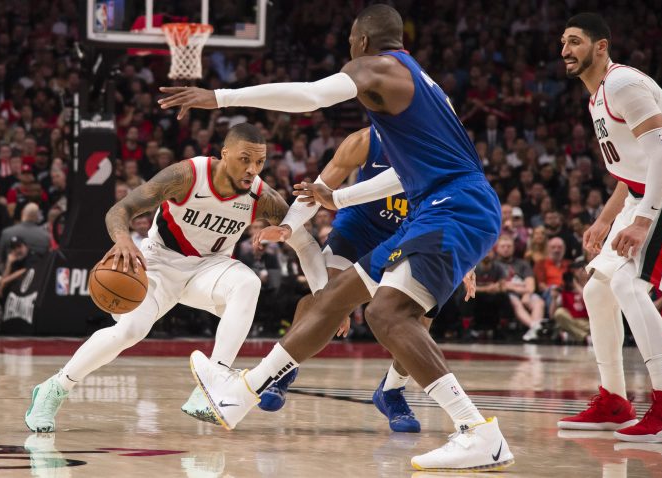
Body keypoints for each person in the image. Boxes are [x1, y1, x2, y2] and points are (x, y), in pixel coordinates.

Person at [158, 5, 513, 471]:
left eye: (350, 39)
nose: (348, 48)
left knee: (388, 313)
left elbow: (310, 96)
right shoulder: (416, 84)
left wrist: (220, 97)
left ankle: (477, 432)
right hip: (439, 203)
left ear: (363, 41)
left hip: (455, 205)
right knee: (334, 298)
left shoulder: (376, 67)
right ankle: (240, 395)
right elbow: (408, 175)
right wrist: (338, 199)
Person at [24, 123, 327, 433]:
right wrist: (124, 239)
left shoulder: (261, 197)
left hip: (209, 268)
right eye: (244, 159)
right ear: (224, 155)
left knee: (248, 282)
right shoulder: (187, 175)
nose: (252, 169)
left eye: (259, 162)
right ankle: (55, 388)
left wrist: (324, 294)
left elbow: (305, 243)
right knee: (130, 330)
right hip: (159, 263)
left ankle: (213, 382)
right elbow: (121, 209)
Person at [257, 126, 431, 434]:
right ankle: (285, 367)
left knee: (420, 316)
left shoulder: (436, 144)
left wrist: (464, 264)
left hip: (408, 234)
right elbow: (318, 190)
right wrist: (287, 227)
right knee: (325, 300)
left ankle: (391, 391)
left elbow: (452, 202)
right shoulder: (364, 141)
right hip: (358, 228)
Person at [556, 13, 662, 443]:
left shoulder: (623, 85)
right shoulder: (598, 96)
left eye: (574, 42)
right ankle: (614, 402)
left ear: (601, 46)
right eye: (562, 43)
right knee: (596, 290)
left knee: (628, 286)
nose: (565, 50)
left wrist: (643, 221)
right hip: (645, 194)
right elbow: (635, 169)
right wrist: (607, 217)